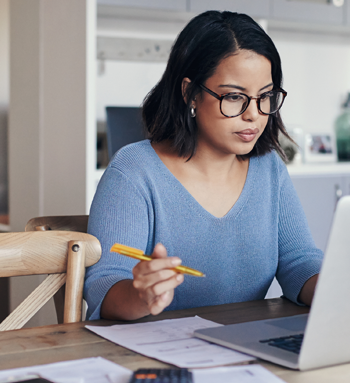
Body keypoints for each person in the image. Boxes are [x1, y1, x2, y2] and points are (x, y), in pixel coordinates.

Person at [84, 11, 323, 321]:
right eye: (235, 97)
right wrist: (140, 295)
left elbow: (298, 262)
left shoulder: (269, 169)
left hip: (243, 350)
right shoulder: (134, 171)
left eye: (265, 96)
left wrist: (338, 288)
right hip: (154, 358)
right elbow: (104, 286)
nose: (253, 114)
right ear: (190, 93)